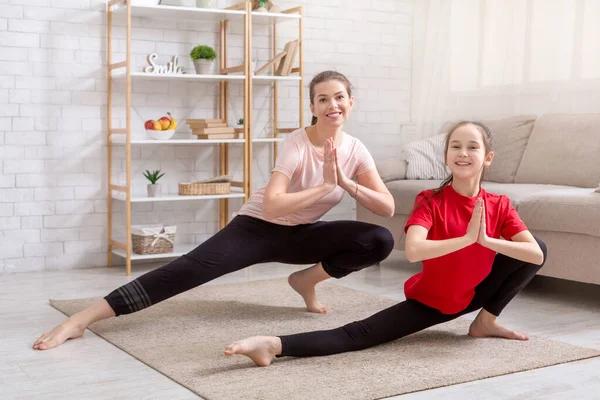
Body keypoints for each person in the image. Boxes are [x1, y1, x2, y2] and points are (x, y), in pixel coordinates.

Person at [33, 70, 395, 351]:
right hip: (257, 228)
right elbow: (272, 203)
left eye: (339, 97)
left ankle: (305, 280)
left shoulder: (356, 150)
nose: (332, 105)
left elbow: (386, 206)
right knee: (186, 270)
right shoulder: (297, 143)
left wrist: (347, 183)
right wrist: (325, 186)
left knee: (377, 239)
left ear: (351, 102)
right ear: (312, 107)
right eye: (322, 99)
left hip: (301, 234)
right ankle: (81, 319)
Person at [224, 121, 548, 366]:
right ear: (447, 156)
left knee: (540, 246)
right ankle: (272, 344)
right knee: (358, 334)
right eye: (456, 147)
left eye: (472, 147)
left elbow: (533, 255)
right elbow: (414, 250)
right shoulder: (431, 201)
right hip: (433, 302)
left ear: (487, 157)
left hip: (478, 292)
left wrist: (488, 240)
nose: (463, 153)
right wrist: (466, 239)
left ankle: (486, 321)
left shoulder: (499, 204)